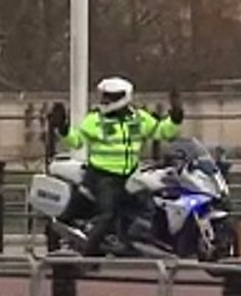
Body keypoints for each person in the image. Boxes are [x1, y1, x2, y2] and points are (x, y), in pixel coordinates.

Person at [47, 77, 183, 256]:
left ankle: (134, 243)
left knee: (148, 205)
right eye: (104, 97)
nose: (105, 101)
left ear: (124, 97)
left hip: (131, 175)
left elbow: (162, 131)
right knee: (107, 214)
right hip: (103, 176)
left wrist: (175, 116)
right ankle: (86, 256)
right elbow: (77, 141)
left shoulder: (139, 118)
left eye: (110, 97)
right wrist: (63, 128)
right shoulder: (95, 119)